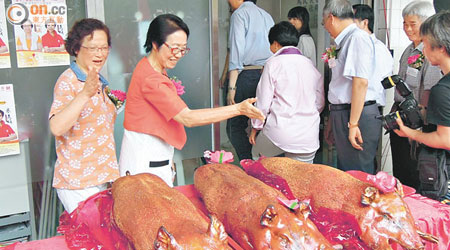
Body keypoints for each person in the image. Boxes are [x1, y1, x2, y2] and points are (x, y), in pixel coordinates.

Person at [119, 14, 264, 187]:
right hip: (145, 160)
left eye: (183, 49)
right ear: (155, 43)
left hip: (151, 153)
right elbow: (188, 118)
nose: (179, 55)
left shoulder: (150, 67)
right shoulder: (152, 79)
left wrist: (167, 158)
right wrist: (239, 109)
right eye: (174, 48)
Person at [48, 18, 119, 213]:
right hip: (78, 182)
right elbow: (57, 127)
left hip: (103, 178)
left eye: (104, 48)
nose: (100, 54)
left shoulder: (100, 81)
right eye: (93, 48)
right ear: (77, 48)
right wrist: (85, 93)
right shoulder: (68, 81)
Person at [394, 10, 450, 201]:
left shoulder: (442, 89)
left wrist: (409, 132)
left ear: (441, 47)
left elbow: (445, 140)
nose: (423, 51)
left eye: (425, 44)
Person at [249, 21, 324, 163]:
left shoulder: (273, 64)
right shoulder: (310, 65)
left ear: (276, 44)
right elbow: (319, 103)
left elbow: (262, 103)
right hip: (308, 136)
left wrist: (255, 127)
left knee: (257, 155)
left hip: (280, 133)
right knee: (302, 177)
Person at [322, 0, 380, 174]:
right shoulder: (346, 41)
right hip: (346, 113)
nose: (324, 26)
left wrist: (353, 124)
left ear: (331, 18)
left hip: (356, 115)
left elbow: (360, 82)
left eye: (323, 22)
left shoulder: (357, 38)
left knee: (358, 175)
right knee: (347, 172)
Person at [226, 0, 274, 161]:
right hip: (266, 74)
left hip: (246, 75)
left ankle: (248, 162)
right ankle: (259, 162)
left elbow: (236, 53)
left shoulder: (240, 14)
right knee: (261, 122)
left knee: (234, 126)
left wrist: (231, 88)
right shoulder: (267, 16)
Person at [353, 4, 393, 113]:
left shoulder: (378, 48)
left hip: (368, 106)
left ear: (365, 23)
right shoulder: (355, 45)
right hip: (356, 106)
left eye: (353, 21)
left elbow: (380, 81)